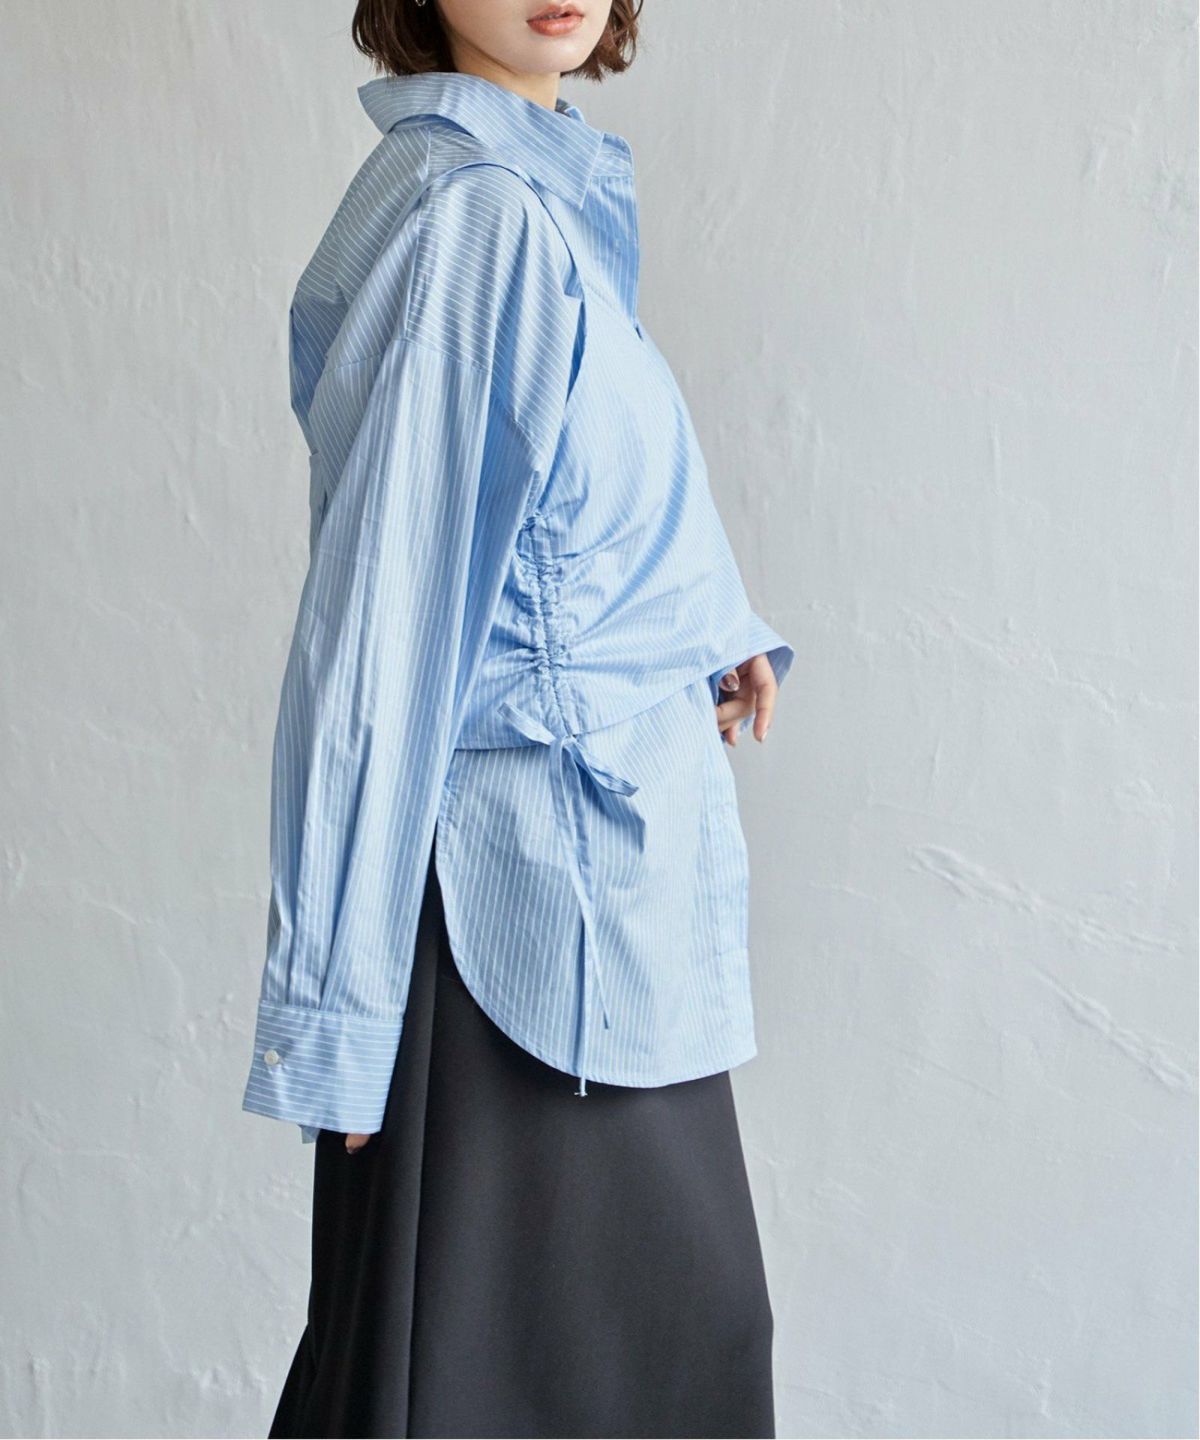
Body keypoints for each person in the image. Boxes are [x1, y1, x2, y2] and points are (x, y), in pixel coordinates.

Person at [242, 1, 795, 1435]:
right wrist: (336, 1011)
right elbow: (382, 625)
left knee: (642, 1365)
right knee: (526, 1384)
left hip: (596, 912)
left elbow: (555, 511)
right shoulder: (476, 220)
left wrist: (710, 626)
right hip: (523, 938)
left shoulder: (544, 196)